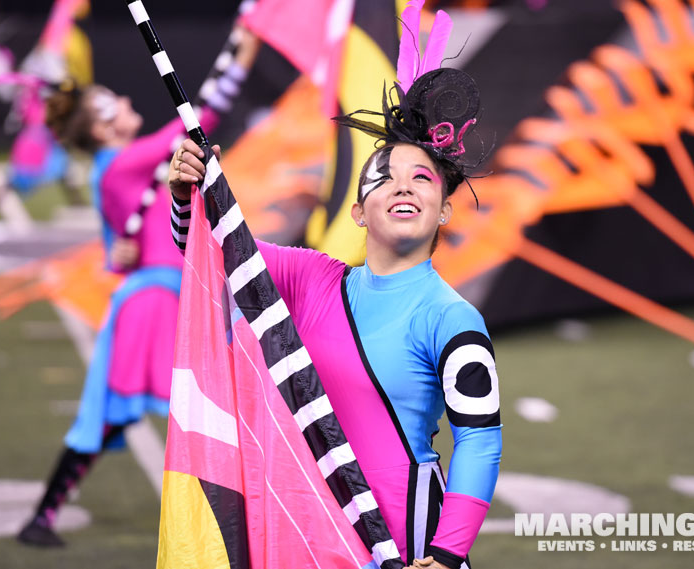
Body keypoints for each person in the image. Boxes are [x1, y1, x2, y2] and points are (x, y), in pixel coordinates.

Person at [168, 59, 501, 569]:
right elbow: (214, 254)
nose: (404, 186)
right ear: (358, 213)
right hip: (306, 526)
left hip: (402, 542)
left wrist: (448, 552)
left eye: (422, 178)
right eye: (384, 179)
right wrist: (189, 192)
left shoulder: (453, 318)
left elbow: (479, 440)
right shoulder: (311, 279)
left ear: (444, 209)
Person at [17, 31, 259, 547]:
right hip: (156, 302)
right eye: (113, 105)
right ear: (103, 129)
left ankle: (42, 516)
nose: (126, 102)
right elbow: (201, 119)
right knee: (217, 409)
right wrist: (242, 53)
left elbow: (117, 252)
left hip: (158, 296)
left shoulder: (115, 170)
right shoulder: (122, 163)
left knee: (116, 414)